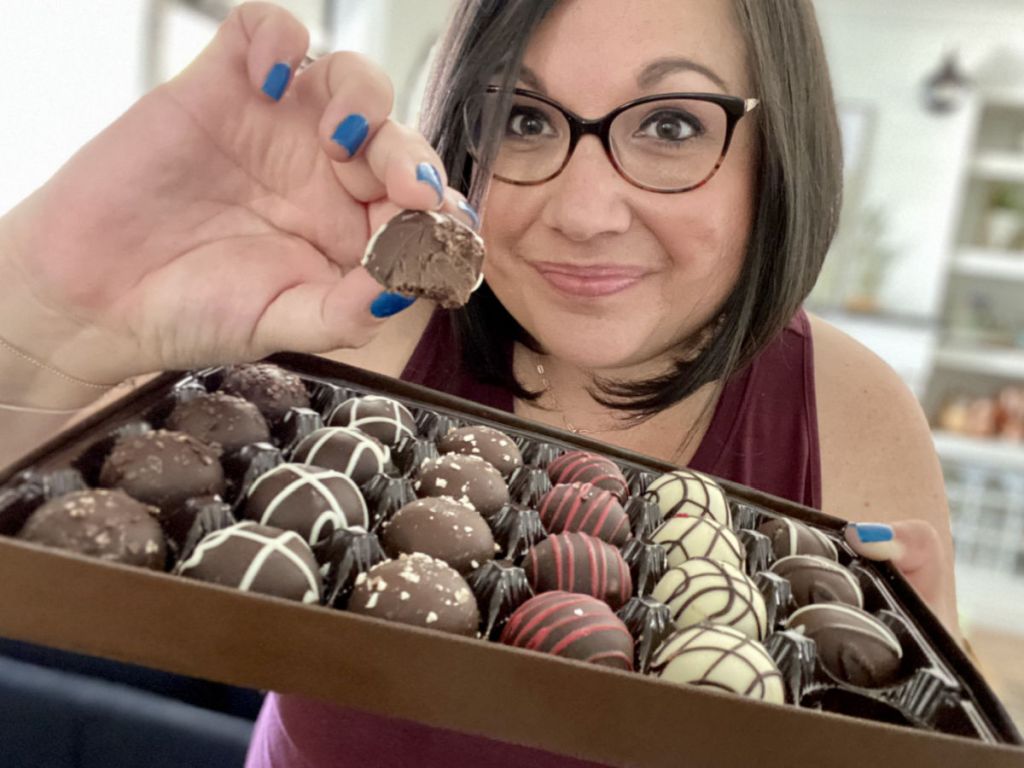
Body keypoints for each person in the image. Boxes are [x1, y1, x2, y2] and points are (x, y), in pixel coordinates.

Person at [0, 1, 961, 765]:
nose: (583, 212)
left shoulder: (852, 416)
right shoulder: (360, 325)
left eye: (672, 124)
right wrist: (46, 314)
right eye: (523, 118)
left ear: (778, 146)